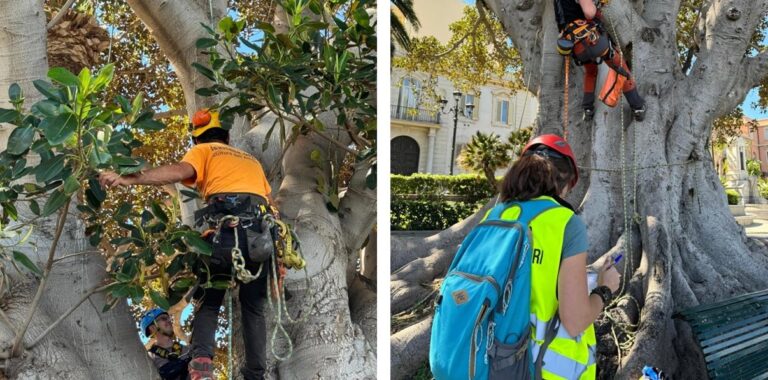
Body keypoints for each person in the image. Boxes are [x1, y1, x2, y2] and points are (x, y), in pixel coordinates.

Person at [100, 109, 274, 380]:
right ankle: (255, 373)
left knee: (210, 298)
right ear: (227, 136)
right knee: (253, 308)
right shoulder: (251, 161)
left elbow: (178, 172)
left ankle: (202, 358)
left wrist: (129, 178)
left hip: (227, 236)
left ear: (197, 139)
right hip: (261, 241)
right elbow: (268, 203)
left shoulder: (206, 150)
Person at [499, 134, 621, 379]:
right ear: (565, 184)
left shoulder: (497, 215)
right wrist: (605, 289)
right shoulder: (565, 222)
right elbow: (575, 321)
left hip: (488, 360)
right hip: (540, 367)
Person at [555, 0, 646, 122]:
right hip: (592, 40)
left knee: (591, 71)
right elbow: (589, 13)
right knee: (620, 66)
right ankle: (638, 106)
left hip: (576, 48)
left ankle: (587, 109)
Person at [141, 308, 191, 380]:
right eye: (164, 319)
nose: (169, 321)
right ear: (153, 328)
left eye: (169, 318)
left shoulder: (187, 350)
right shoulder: (150, 358)